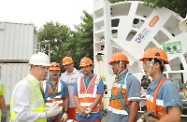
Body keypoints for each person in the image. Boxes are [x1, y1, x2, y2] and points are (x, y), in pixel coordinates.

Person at [10, 52, 62, 122]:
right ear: (33, 67)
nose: (46, 71)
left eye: (47, 68)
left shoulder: (35, 85)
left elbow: (33, 109)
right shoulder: (24, 85)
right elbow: (21, 115)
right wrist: (46, 114)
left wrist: (47, 109)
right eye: (43, 67)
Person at [139, 47, 182, 122]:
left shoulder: (168, 87)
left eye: (145, 63)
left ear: (156, 65)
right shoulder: (153, 85)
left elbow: (174, 117)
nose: (143, 67)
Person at [106, 52, 141, 122]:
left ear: (122, 64)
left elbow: (135, 104)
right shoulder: (116, 80)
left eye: (114, 64)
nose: (112, 67)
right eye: (111, 65)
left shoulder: (131, 80)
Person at [73, 57, 104, 122]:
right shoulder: (78, 80)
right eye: (82, 67)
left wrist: (90, 108)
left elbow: (100, 95)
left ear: (91, 67)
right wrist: (80, 109)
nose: (84, 69)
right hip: (80, 115)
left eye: (86, 66)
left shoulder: (98, 79)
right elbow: (75, 95)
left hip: (94, 115)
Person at [60, 56, 82, 121]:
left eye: (69, 64)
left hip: (77, 105)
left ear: (72, 63)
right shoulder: (62, 76)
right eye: (66, 65)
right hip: (67, 107)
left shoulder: (79, 74)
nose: (68, 66)